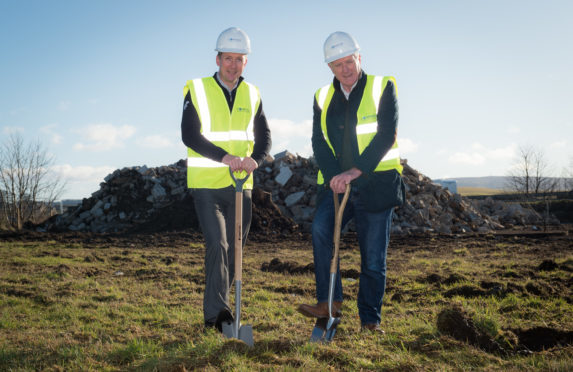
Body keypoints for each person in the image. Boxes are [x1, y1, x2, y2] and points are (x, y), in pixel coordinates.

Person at [297, 31, 405, 333]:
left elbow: (386, 134)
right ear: (329, 67)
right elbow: (319, 141)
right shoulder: (322, 97)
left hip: (376, 185)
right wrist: (335, 176)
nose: (345, 69)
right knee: (321, 230)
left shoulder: (383, 86)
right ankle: (330, 303)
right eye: (337, 64)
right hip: (336, 187)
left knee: (372, 259)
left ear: (359, 57)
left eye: (349, 61)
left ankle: (370, 320)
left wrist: (354, 172)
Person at [181, 27, 271, 331]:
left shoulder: (253, 93)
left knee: (236, 249)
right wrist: (226, 158)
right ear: (218, 59)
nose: (233, 65)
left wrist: (254, 160)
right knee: (217, 244)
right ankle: (217, 315)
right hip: (208, 185)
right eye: (228, 58)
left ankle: (222, 307)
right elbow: (190, 135)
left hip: (241, 187)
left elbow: (265, 137)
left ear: (246, 62)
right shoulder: (196, 89)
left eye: (239, 59)